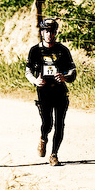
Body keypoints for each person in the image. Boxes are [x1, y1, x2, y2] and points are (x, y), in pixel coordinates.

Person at [25, 17, 76, 166]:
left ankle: (54, 154)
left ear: (55, 33)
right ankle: (43, 138)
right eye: (46, 31)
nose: (49, 34)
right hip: (44, 92)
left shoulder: (62, 50)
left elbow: (73, 71)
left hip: (60, 91)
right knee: (47, 123)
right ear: (42, 32)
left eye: (52, 31)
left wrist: (65, 77)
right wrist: (35, 81)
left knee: (60, 124)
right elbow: (28, 71)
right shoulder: (35, 50)